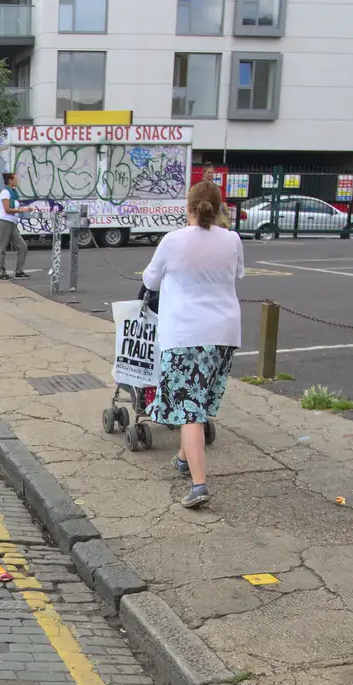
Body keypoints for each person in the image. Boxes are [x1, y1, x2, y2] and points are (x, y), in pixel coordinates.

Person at [140, 178, 244, 509]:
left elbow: (149, 279)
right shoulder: (232, 240)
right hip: (224, 333)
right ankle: (184, 459)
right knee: (198, 402)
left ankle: (199, 486)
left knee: (189, 411)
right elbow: (238, 273)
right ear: (219, 207)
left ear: (188, 207)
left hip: (185, 334)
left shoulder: (173, 241)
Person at [0, 171, 31, 281]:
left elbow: (15, 208)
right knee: (2, 248)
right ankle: (1, 272)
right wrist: (20, 210)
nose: (17, 181)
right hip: (5, 222)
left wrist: (24, 209)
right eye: (15, 179)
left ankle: (19, 271)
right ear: (10, 180)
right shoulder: (5, 193)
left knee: (22, 246)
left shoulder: (14, 193)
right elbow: (7, 209)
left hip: (12, 223)